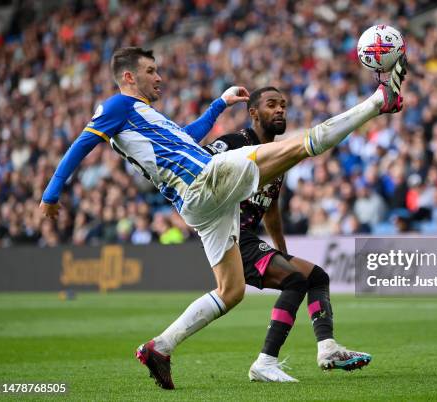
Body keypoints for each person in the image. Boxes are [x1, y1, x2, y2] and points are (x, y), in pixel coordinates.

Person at [39, 47, 407, 390]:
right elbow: (81, 144)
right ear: (129, 77)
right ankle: (378, 101)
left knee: (231, 292)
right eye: (151, 71)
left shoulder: (143, 115)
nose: (159, 77)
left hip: (200, 203)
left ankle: (160, 347)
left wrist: (218, 104)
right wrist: (51, 194)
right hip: (205, 180)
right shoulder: (118, 105)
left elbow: (186, 138)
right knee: (298, 146)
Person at [204, 87, 369, 382]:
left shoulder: (278, 157)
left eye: (283, 105)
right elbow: (198, 169)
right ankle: (265, 363)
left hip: (249, 239)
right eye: (271, 105)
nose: (280, 110)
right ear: (253, 113)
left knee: (317, 276)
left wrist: (281, 250)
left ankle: (327, 347)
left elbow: (271, 208)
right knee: (295, 280)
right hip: (229, 235)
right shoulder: (233, 143)